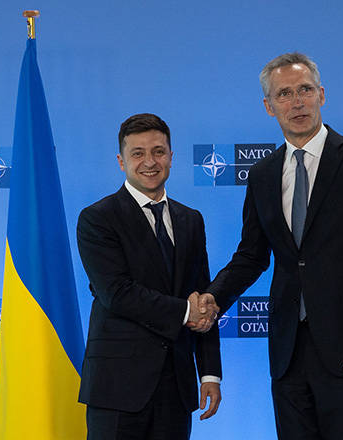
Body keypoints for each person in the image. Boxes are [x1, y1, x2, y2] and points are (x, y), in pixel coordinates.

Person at [205, 52, 343, 439]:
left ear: (322, 95)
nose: (297, 102)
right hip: (288, 350)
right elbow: (251, 255)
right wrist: (212, 299)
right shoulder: (262, 175)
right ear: (269, 106)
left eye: (305, 90)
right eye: (285, 94)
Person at [76, 113, 222, 440]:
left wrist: (210, 373)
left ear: (171, 157)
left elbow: (204, 297)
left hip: (177, 386)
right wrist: (186, 312)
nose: (149, 162)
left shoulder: (191, 220)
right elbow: (117, 292)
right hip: (117, 388)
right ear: (121, 161)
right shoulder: (98, 218)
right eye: (138, 153)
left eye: (158, 151)